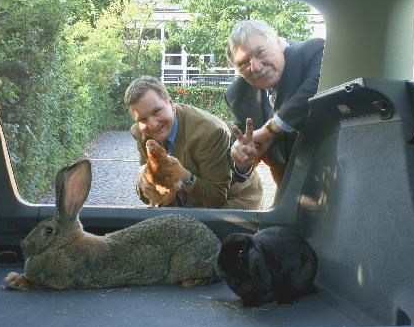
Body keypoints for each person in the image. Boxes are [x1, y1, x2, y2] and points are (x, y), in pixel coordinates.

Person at [124, 76, 263, 209]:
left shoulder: (210, 132)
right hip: (188, 204)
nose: (152, 124)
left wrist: (183, 176)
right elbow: (151, 193)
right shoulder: (141, 133)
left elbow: (217, 198)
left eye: (156, 111)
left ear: (171, 103)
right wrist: (143, 182)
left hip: (233, 202)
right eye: (142, 119)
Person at [225, 20, 325, 185]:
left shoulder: (311, 52)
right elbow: (240, 149)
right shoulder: (239, 95)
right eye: (243, 63)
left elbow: (319, 85)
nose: (255, 67)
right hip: (289, 194)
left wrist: (270, 129)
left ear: (278, 42)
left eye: (261, 52)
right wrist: (242, 159)